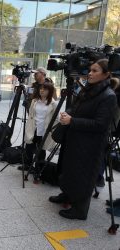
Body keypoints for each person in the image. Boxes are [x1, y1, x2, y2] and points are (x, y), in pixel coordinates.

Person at [49, 59, 117, 220]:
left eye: (95, 71)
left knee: (83, 176)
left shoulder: (108, 96)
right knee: (69, 170)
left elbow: (101, 125)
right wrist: (68, 113)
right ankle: (67, 195)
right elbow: (76, 107)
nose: (90, 74)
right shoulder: (88, 89)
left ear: (106, 74)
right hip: (75, 137)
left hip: (90, 145)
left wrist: (73, 121)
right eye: (90, 70)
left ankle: (79, 209)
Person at [24, 81, 57, 170]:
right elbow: (31, 114)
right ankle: (27, 165)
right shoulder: (35, 101)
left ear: (49, 91)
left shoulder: (53, 104)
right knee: (29, 146)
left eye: (45, 89)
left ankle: (38, 167)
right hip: (33, 127)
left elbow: (56, 118)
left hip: (44, 129)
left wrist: (51, 129)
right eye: (41, 88)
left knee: (41, 148)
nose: (42, 91)